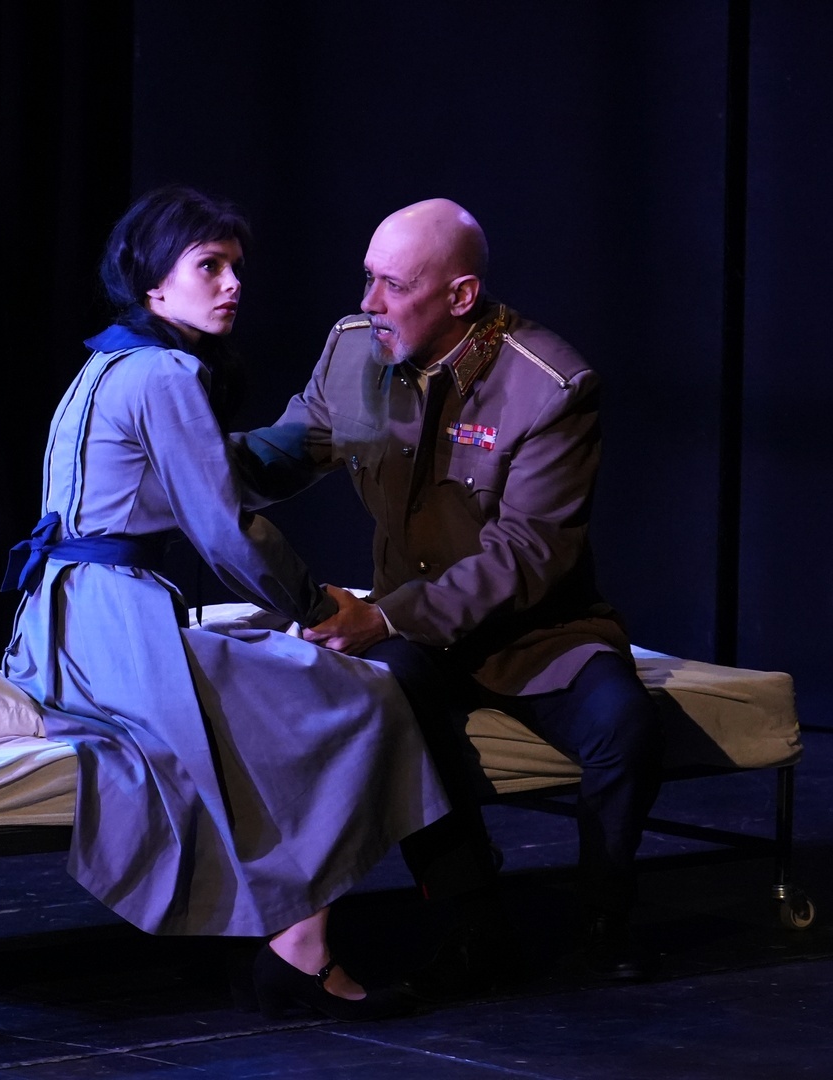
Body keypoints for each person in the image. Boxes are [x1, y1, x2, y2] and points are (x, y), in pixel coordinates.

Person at [0, 185, 451, 1021]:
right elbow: (224, 531)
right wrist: (315, 604)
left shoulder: (108, 365)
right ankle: (303, 946)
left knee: (285, 679)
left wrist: (327, 438)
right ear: (152, 284)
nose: (233, 284)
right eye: (208, 266)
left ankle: (287, 937)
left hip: (66, 625)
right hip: (116, 635)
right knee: (361, 698)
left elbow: (224, 471)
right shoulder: (164, 374)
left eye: (236, 267)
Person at [234, 198, 665, 992]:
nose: (370, 302)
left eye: (393, 286)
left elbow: (527, 555)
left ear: (461, 296)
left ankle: (606, 922)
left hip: (536, 633)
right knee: (392, 705)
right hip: (416, 634)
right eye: (368, 278)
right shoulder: (358, 350)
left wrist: (384, 614)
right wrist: (182, 456)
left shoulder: (549, 386)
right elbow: (286, 452)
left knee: (623, 725)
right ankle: (475, 924)